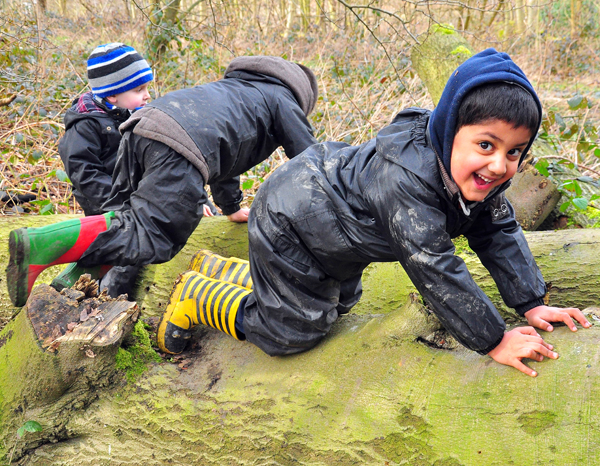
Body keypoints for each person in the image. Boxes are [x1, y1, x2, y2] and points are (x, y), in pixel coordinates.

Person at [156, 48, 591, 377]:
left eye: (514, 151)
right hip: (295, 220)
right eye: (485, 145)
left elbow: (498, 232)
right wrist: (494, 340)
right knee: (293, 331)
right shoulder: (408, 182)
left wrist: (532, 302)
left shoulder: (474, 178)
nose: (499, 164)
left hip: (334, 231)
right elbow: (435, 267)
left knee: (338, 304)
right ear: (450, 129)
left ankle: (228, 272)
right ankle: (199, 296)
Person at [7, 55, 319, 306]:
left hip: (142, 125)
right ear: (302, 94)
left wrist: (231, 206)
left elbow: (226, 154)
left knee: (123, 217)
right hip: (174, 144)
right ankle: (41, 245)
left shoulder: (235, 90)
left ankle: (72, 282)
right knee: (154, 233)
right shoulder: (283, 98)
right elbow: (315, 165)